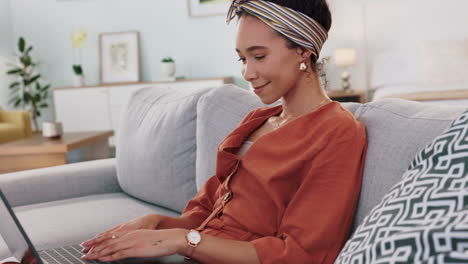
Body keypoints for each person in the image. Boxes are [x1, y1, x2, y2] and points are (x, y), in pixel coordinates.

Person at [80, 0, 367, 263]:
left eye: (259, 56)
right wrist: (155, 223)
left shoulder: (337, 132)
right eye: (242, 59)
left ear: (304, 50)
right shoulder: (258, 120)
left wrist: (183, 241)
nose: (247, 73)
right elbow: (207, 213)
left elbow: (300, 254)